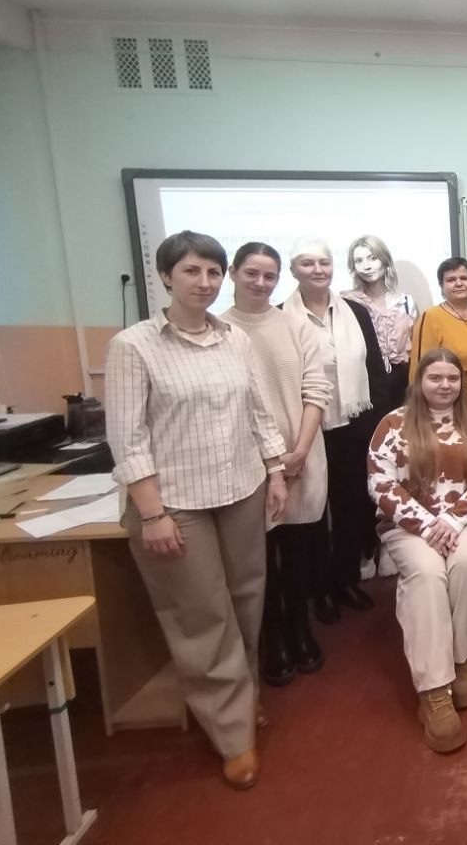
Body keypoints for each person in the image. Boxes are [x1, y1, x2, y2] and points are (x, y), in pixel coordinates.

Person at [105, 230, 288, 790]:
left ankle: (241, 697)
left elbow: (258, 411)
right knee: (202, 616)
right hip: (175, 503)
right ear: (166, 276)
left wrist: (276, 471)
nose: (204, 282)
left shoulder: (235, 339)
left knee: (246, 600)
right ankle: (233, 734)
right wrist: (151, 513)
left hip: (240, 489)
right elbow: (128, 439)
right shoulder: (134, 346)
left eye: (212, 272)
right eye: (191, 271)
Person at [367, 347, 467, 754]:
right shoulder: (392, 425)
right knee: (427, 574)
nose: (444, 385)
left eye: (452, 378)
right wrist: (428, 525)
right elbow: (380, 485)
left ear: (461, 382)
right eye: (435, 378)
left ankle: (461, 658)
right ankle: (434, 690)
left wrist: (455, 520)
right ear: (420, 381)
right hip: (409, 526)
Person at [223, 243, 330, 688]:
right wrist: (271, 463)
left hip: (303, 453)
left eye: (269, 275)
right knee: (260, 557)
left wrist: (299, 452)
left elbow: (316, 389)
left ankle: (300, 626)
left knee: (300, 550)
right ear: (233, 273)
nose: (261, 282)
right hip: (248, 462)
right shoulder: (221, 329)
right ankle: (272, 635)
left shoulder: (295, 324)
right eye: (252, 273)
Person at [284, 241, 387, 619]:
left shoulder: (355, 311)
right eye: (307, 263)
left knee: (351, 507)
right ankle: (318, 588)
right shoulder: (281, 316)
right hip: (307, 429)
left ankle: (345, 580)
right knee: (311, 511)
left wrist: (375, 428)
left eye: (324, 262)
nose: (317, 269)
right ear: (293, 271)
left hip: (353, 424)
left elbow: (374, 368)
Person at [411, 257, 467, 411]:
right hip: (455, 404)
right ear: (441, 286)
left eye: (464, 278)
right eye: (451, 280)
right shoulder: (432, 317)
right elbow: (419, 371)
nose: (459, 283)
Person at [342, 234, 419, 406]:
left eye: (372, 258)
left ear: (384, 259)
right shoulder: (348, 303)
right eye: (359, 261)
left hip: (402, 386)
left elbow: (416, 350)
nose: (366, 266)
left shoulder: (405, 303)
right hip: (364, 386)